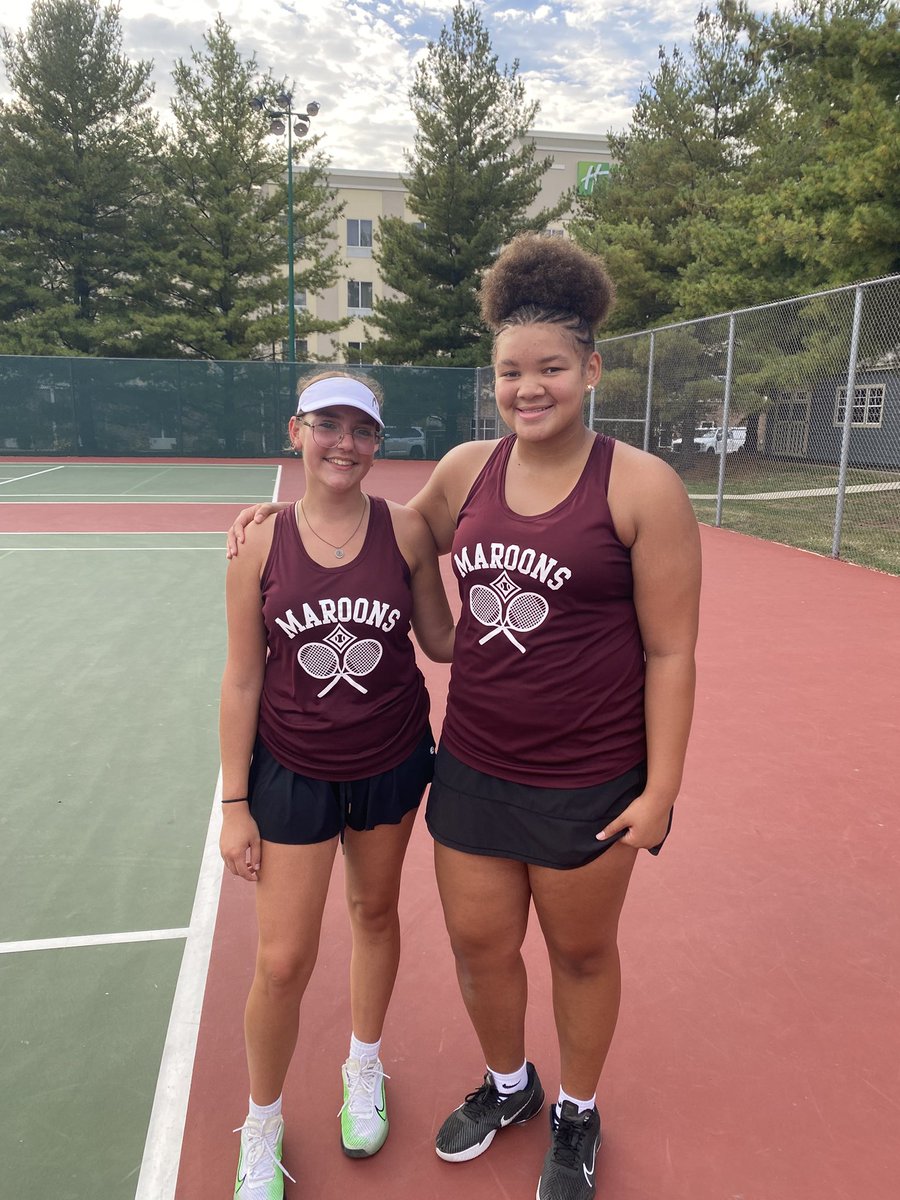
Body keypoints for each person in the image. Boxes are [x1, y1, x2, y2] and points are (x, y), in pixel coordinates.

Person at [228, 233, 701, 1200]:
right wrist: (270, 525)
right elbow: (381, 533)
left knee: (577, 950)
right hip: (474, 769)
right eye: (511, 372)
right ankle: (508, 1085)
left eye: (551, 369)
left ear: (591, 368)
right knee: (482, 949)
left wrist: (663, 790)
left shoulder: (643, 487)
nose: (530, 388)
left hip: (591, 780)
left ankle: (576, 1113)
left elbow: (671, 651)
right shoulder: (468, 471)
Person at [219, 371, 454, 1200]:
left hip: (392, 759)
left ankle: (363, 1066)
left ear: (378, 444)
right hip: (289, 771)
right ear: (297, 432)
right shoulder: (256, 545)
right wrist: (234, 803)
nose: (344, 444)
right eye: (328, 426)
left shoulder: (408, 531)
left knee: (376, 912)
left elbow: (443, 641)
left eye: (361, 430)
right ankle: (264, 1122)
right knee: (282, 961)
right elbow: (243, 680)